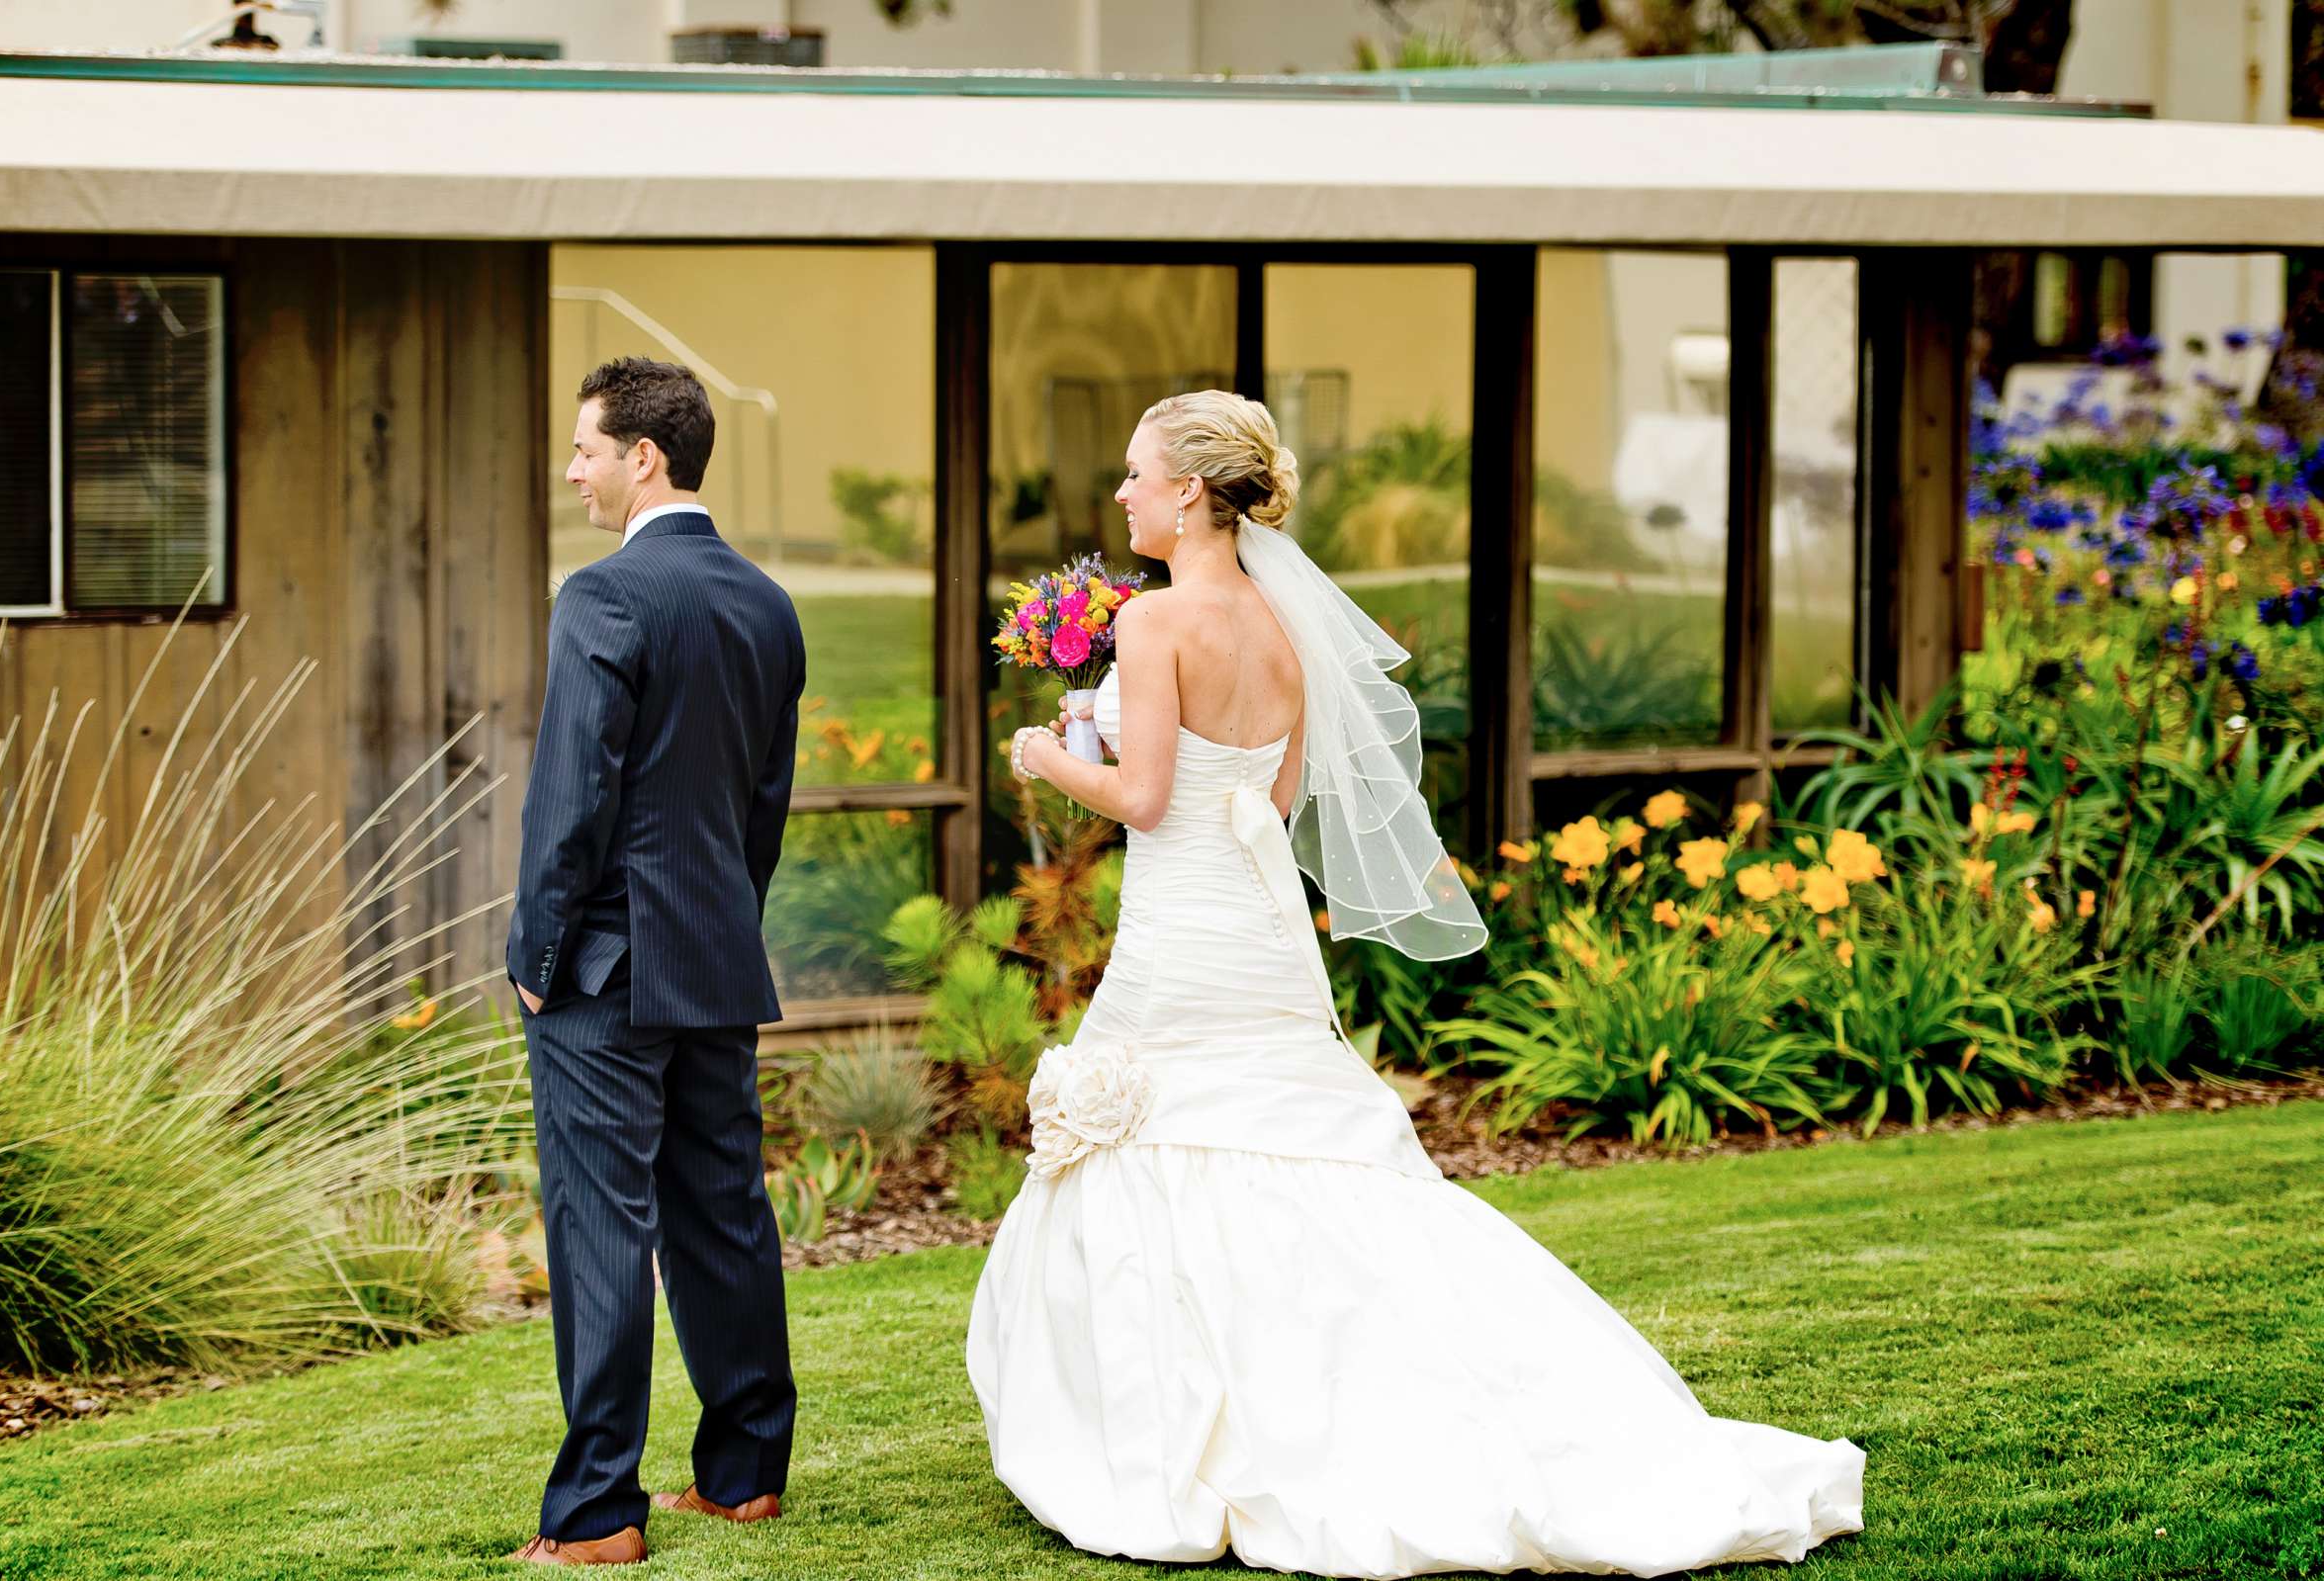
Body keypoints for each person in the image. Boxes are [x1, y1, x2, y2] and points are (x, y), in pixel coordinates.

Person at [968, 390, 1864, 1579]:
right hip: (1258, 916)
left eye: (1136, 474)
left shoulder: (1156, 623)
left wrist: (1043, 753)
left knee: (1159, 1142)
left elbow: (1141, 802)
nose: (1122, 493)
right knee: (1292, 1148)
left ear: (1190, 490)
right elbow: (1273, 806)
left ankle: (1183, 1429)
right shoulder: (1288, 628)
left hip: (1189, 922)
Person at [504, 356, 805, 1567]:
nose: (571, 469)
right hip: (714, 952)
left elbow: (569, 794)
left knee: (600, 1225)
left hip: (604, 969)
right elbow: (764, 803)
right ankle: (744, 1477)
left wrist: (535, 952)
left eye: (584, 447)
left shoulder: (605, 595)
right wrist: (729, 914)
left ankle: (594, 1515)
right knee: (722, 1214)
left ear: (644, 457)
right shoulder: (769, 603)